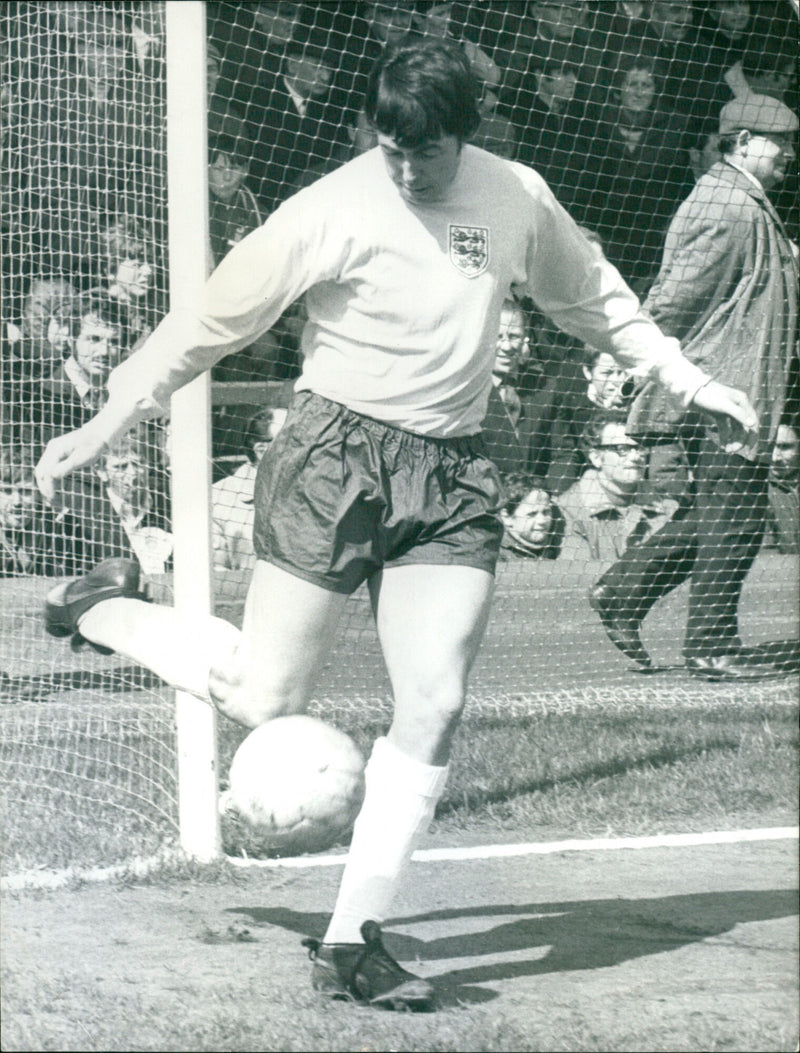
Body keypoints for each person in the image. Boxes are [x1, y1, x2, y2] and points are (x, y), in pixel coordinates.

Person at [35, 38, 757, 1010]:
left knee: (437, 698)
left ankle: (351, 939)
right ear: (374, 132)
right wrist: (110, 414)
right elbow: (210, 320)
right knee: (261, 693)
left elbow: (592, 300)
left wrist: (690, 380)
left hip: (452, 472)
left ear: (466, 133)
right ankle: (99, 611)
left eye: (428, 152)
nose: (409, 169)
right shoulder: (332, 205)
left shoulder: (515, 195)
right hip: (335, 459)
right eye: (391, 148)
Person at [590, 92, 798, 677]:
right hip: (722, 389)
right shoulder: (728, 205)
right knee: (734, 519)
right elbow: (673, 298)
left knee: (722, 514)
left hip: (734, 384)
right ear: (744, 143)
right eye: (781, 142)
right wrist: (627, 363)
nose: (790, 154)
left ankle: (622, 595)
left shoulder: (743, 201)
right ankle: (711, 645)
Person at [557, 413, 678, 562]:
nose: (635, 457)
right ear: (595, 457)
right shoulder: (568, 510)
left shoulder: (668, 508)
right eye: (622, 449)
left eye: (640, 448)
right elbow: (576, 577)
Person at [212, 406, 287, 574]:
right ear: (262, 450)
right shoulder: (218, 498)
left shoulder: (325, 490)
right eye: (296, 441)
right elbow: (216, 574)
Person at [499, 474, 564, 560]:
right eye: (532, 514)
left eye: (546, 512)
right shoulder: (496, 555)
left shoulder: (559, 546)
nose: (542, 521)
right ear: (507, 517)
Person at [764, 421, 800, 555]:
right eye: (770, 447)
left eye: (784, 447)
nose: (774, 457)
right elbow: (765, 551)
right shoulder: (758, 491)